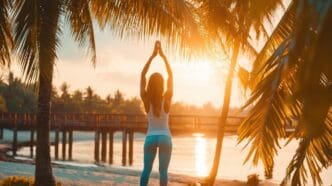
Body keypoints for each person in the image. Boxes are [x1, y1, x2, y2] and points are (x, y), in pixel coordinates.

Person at [140, 41, 173, 186]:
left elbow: (142, 75)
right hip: (165, 137)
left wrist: (152, 56)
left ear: (150, 84)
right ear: (162, 84)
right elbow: (171, 75)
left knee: (146, 170)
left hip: (150, 138)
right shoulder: (166, 98)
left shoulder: (146, 100)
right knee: (163, 171)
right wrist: (163, 56)